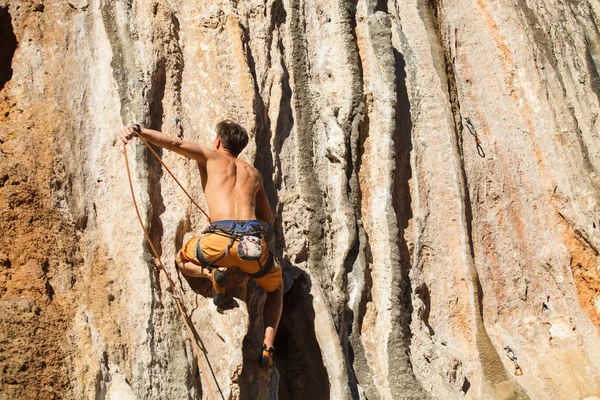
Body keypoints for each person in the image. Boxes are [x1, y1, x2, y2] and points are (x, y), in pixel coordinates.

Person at [118, 120, 282, 368]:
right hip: (252, 245)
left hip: (219, 242)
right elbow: (267, 217)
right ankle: (268, 348)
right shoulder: (253, 173)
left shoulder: (211, 157)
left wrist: (138, 130)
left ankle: (212, 274)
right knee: (276, 288)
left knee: (181, 259)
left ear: (218, 142)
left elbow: (176, 143)